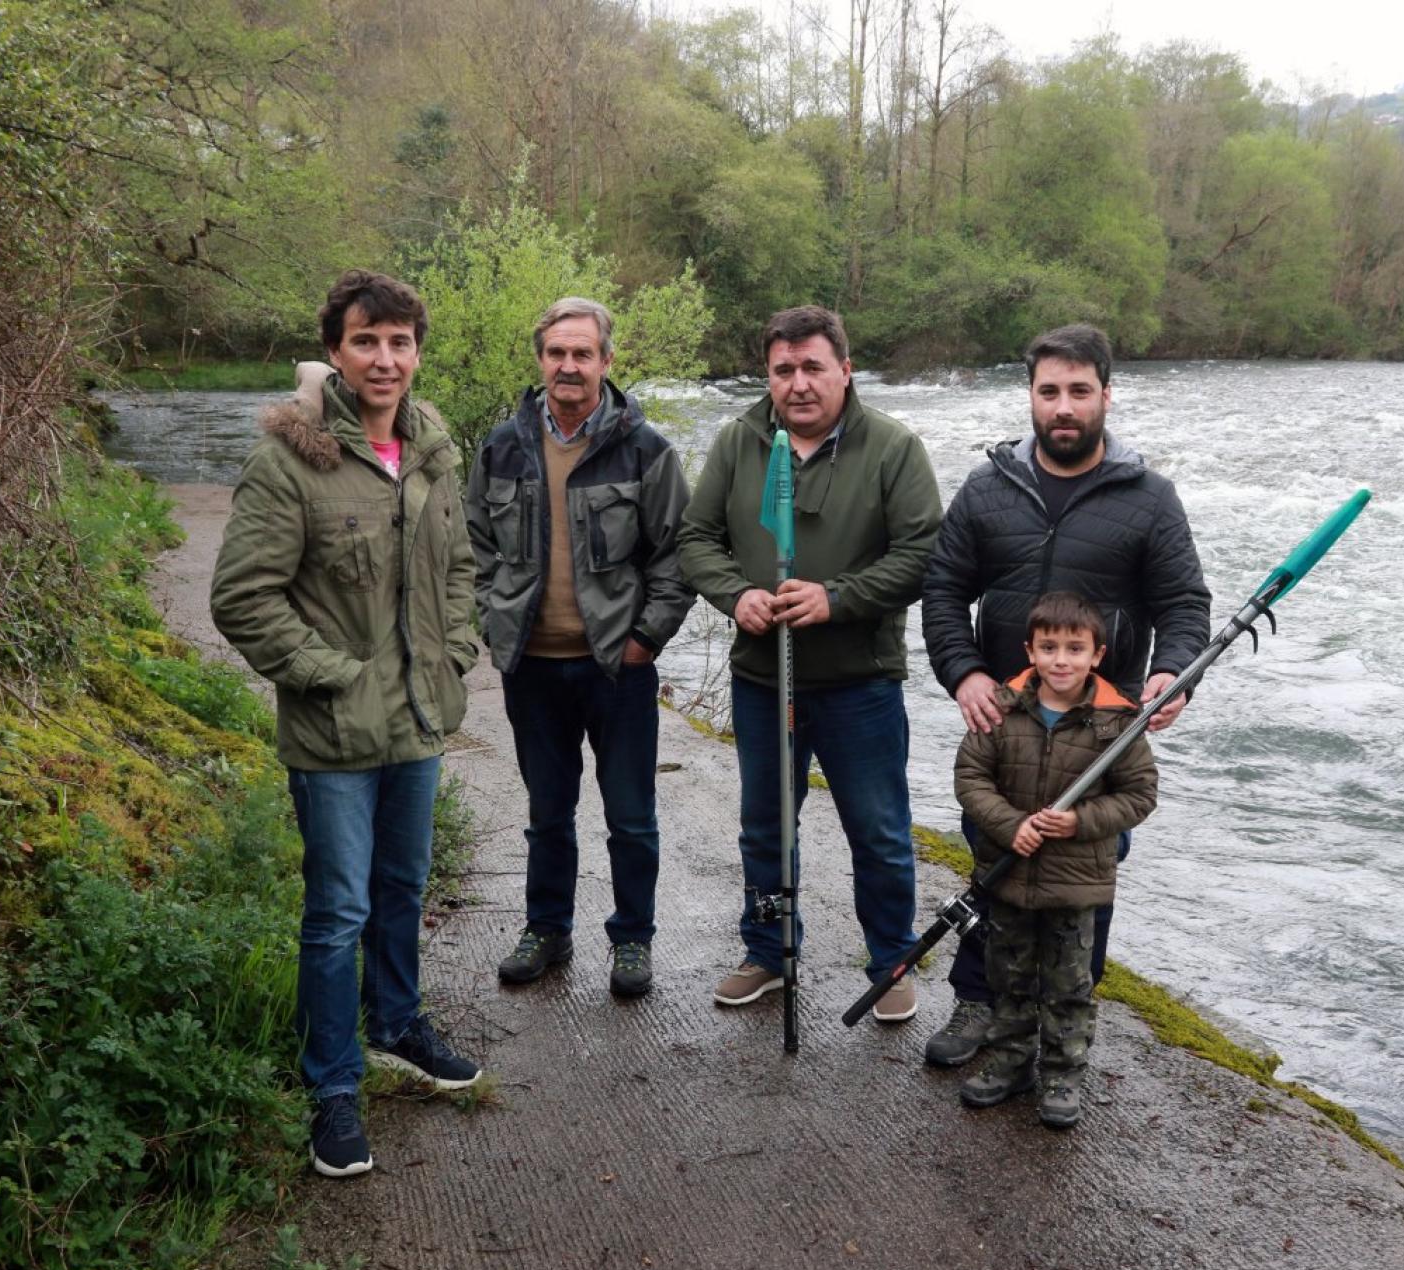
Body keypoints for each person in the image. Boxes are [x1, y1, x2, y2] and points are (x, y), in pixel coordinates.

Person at [211, 270, 482, 1179]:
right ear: (334, 351)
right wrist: (334, 677)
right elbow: (243, 599)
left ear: (415, 353)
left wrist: (458, 650)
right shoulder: (290, 461)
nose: (385, 358)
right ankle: (332, 1083)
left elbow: (455, 567)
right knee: (338, 912)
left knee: (404, 886)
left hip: (418, 723)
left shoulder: (434, 447)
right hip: (333, 735)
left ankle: (397, 1025)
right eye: (367, 340)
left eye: (400, 342)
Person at [919, 323, 1210, 1067]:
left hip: (1102, 732)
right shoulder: (989, 489)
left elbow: (1184, 605)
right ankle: (978, 1003)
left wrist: (1173, 672)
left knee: (1085, 875)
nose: (1064, 406)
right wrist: (965, 673)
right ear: (1031, 398)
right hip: (1005, 725)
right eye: (1050, 392)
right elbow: (945, 590)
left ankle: (1065, 1027)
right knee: (994, 862)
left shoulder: (1150, 499)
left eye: (1080, 391)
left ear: (1106, 396)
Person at [677, 305, 943, 1021]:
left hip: (861, 682)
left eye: (812, 368)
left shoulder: (893, 448)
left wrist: (839, 599)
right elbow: (696, 538)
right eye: (783, 370)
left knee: (879, 829)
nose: (797, 384)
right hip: (764, 679)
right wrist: (737, 596)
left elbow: (923, 556)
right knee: (766, 824)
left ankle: (890, 959)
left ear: (845, 370)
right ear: (768, 374)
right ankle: (767, 951)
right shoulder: (740, 443)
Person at [464, 297, 693, 998]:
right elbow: (471, 545)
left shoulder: (645, 449)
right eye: (557, 353)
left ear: (606, 362)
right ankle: (547, 929)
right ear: (540, 359)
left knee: (630, 816)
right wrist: (493, 619)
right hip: (531, 665)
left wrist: (645, 638)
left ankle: (632, 940)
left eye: (582, 353)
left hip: (615, 669)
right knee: (546, 813)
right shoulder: (501, 447)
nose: (569, 366)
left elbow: (677, 555)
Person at [952, 591, 1158, 1128]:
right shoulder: (1001, 708)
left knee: (1069, 983)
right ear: (1029, 651)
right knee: (1009, 975)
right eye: (1048, 647)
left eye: (1074, 648)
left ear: (1097, 655)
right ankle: (1011, 1059)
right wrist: (1009, 824)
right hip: (1010, 875)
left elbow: (1139, 796)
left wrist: (1079, 822)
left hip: (1076, 883)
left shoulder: (1119, 723)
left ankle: (1063, 1071)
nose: (1060, 659)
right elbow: (971, 778)